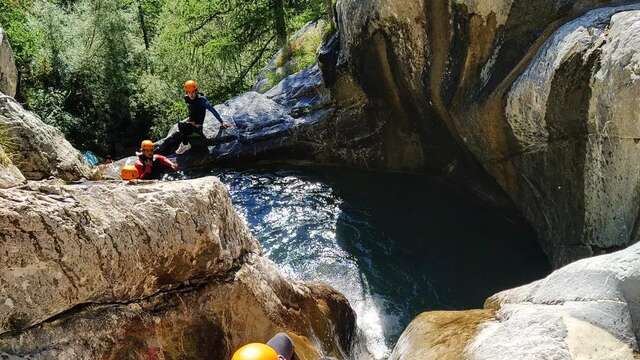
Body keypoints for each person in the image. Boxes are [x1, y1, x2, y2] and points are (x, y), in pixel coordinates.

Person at [175, 79, 232, 155]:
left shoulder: (202, 100)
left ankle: (186, 145)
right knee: (180, 125)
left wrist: (222, 122)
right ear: (186, 93)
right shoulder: (187, 99)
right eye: (189, 93)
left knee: (183, 126)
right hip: (191, 124)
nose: (191, 95)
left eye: (193, 92)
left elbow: (212, 110)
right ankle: (186, 141)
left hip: (197, 128)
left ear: (196, 91)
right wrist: (190, 119)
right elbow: (192, 110)